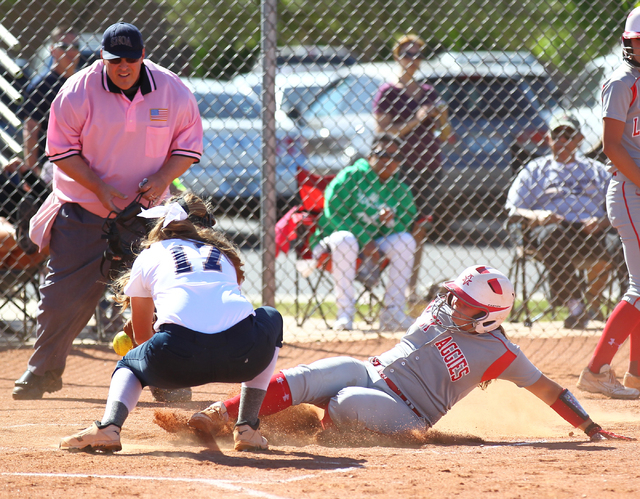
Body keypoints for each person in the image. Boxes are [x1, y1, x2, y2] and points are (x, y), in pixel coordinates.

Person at [188, 265, 632, 443]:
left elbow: (549, 389)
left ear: (491, 316)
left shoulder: (501, 352)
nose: (454, 303)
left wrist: (591, 427)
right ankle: (222, 414)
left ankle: (303, 427)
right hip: (370, 370)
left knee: (345, 403)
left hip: (406, 409)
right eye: (456, 295)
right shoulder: (443, 309)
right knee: (317, 373)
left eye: (466, 302)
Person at [11, 22, 203, 400]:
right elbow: (60, 150)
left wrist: (163, 176)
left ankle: (165, 378)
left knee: (155, 295)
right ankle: (42, 370)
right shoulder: (78, 90)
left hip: (145, 211)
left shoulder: (173, 89)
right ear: (102, 57)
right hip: (84, 205)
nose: (124, 66)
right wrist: (100, 188)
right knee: (63, 293)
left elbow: (189, 145)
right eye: (115, 59)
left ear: (143, 56)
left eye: (132, 58)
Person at [59, 193, 283, 452]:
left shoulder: (151, 253)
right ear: (206, 225)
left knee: (128, 364)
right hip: (245, 355)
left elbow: (143, 336)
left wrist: (158, 352)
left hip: (177, 358)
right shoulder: (222, 255)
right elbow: (223, 313)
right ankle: (247, 428)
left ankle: (109, 427)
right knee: (271, 315)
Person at [576, 6, 640, 400]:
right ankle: (597, 370)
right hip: (631, 192)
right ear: (628, 44)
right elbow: (612, 147)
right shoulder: (622, 82)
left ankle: (636, 375)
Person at [506, 113, 621, 330]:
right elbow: (513, 209)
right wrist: (537, 216)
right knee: (553, 234)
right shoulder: (535, 169)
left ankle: (630, 308)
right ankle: (576, 307)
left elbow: (619, 206)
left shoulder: (596, 170)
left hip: (592, 231)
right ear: (548, 138)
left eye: (568, 135)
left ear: (580, 139)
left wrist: (603, 222)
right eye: (557, 134)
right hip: (551, 231)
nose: (562, 140)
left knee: (623, 239)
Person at [308, 134, 417, 332]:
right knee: (345, 239)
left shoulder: (399, 189)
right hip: (334, 243)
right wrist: (365, 239)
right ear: (370, 156)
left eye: (396, 157)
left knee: (406, 241)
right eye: (383, 154)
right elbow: (333, 212)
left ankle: (393, 313)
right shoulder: (351, 177)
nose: (389, 161)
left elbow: (406, 221)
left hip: (374, 247)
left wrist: (390, 221)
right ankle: (345, 313)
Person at [373, 34, 451, 301]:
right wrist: (415, 121)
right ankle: (391, 286)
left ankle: (409, 288)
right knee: (397, 225)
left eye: (417, 54)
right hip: (398, 168)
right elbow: (382, 131)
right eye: (407, 53)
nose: (413, 59)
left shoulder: (428, 92)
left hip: (428, 166)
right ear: (397, 56)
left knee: (419, 227)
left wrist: (442, 117)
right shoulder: (388, 92)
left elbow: (444, 135)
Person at [1, 26, 81, 257]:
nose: (70, 51)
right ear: (52, 50)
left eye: (75, 46)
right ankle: (29, 226)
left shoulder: (83, 82)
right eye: (64, 46)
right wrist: (32, 166)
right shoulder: (43, 85)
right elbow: (31, 128)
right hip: (51, 162)